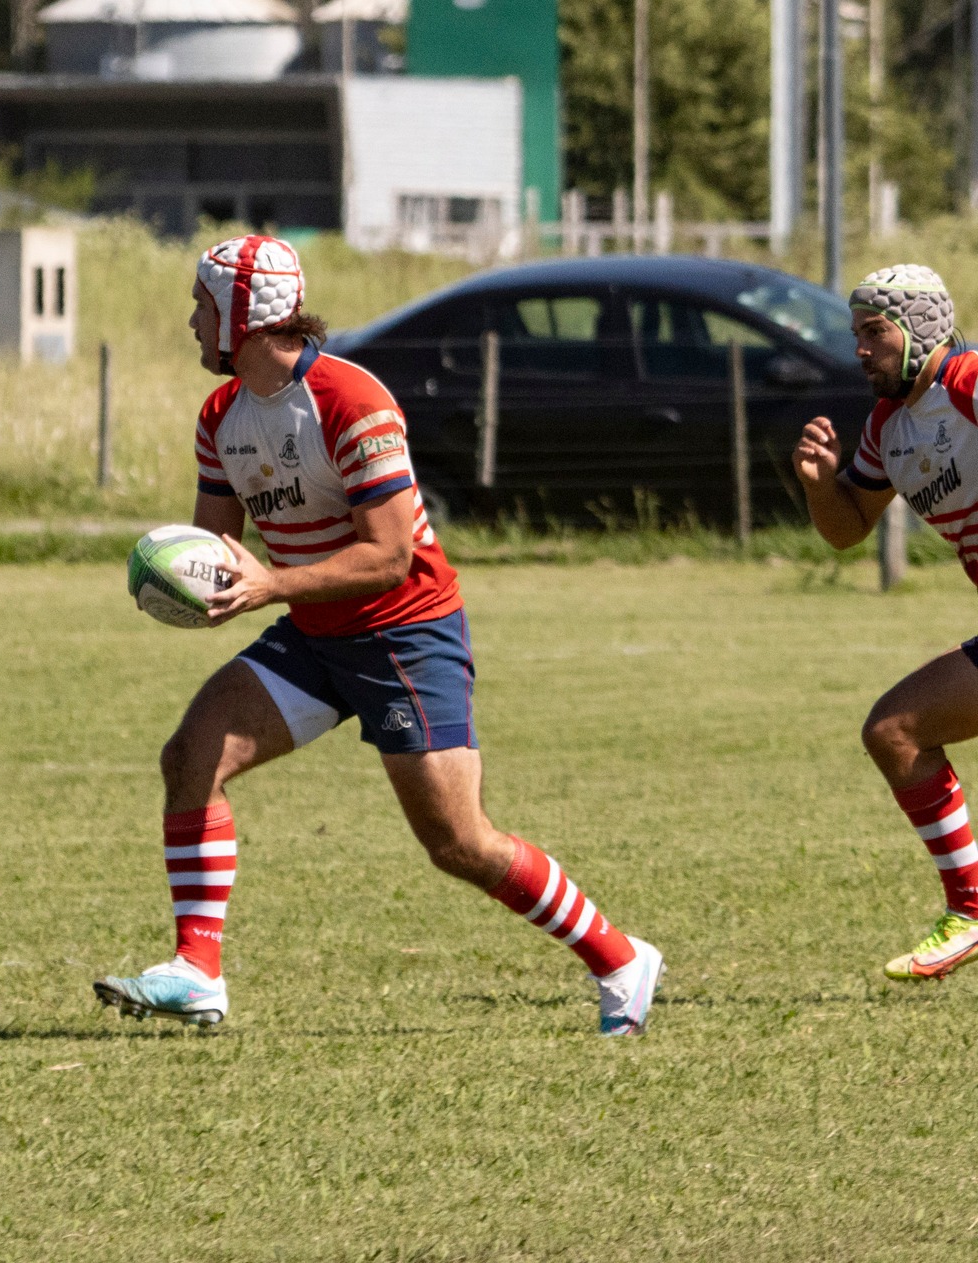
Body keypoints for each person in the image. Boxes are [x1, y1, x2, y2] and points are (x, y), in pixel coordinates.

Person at [93, 234, 663, 1035]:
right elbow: (217, 549)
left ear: (244, 316)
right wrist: (180, 579)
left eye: (202, 304)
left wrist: (266, 585)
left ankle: (620, 957)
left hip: (406, 634)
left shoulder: (351, 402)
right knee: (193, 756)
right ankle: (197, 970)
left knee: (459, 841)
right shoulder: (222, 415)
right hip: (313, 633)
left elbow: (390, 557)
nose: (191, 321)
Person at [793, 264, 978, 980]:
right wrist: (820, 485)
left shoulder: (966, 382)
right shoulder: (885, 429)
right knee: (895, 730)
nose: (861, 349)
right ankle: (968, 910)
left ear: (923, 328)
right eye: (858, 335)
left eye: (875, 333)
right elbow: (846, 531)